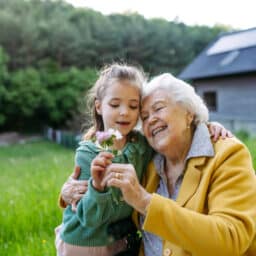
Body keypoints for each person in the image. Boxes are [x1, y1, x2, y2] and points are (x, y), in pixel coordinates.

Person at [97, 73, 256, 256]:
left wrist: (146, 202)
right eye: (145, 117)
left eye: (159, 108)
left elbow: (231, 238)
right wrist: (74, 186)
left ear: (189, 113)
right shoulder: (147, 162)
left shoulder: (227, 154)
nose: (151, 120)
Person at [55, 63, 154, 256]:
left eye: (133, 106)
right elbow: (90, 217)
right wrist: (98, 188)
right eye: (115, 105)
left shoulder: (141, 146)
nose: (124, 112)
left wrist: (206, 128)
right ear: (99, 106)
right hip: (85, 245)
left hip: (123, 243)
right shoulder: (88, 153)